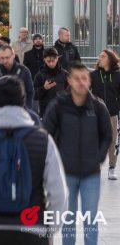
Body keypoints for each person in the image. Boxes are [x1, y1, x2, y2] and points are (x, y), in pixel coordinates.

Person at [0, 76, 68, 245]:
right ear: (23, 101)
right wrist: (49, 232)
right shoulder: (43, 140)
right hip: (33, 231)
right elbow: (59, 193)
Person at [43, 62, 111, 245]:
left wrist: (99, 157)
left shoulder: (98, 106)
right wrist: (54, 160)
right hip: (66, 173)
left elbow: (107, 135)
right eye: (77, 78)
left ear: (89, 81)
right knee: (68, 220)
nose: (81, 82)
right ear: (69, 80)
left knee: (91, 219)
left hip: (91, 173)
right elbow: (45, 134)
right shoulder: (59, 106)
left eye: (84, 78)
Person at [89, 49, 120, 180]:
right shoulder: (93, 75)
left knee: (113, 141)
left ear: (110, 59)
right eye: (99, 56)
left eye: (103, 56)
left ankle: (112, 168)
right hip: (96, 115)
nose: (99, 58)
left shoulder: (118, 75)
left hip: (113, 114)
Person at [0, 45, 34, 112]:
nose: (5, 61)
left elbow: (30, 93)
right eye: (2, 58)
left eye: (7, 57)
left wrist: (26, 110)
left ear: (13, 55)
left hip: (19, 112)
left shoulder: (24, 71)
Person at [33, 47, 68, 118]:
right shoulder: (39, 75)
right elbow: (34, 95)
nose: (51, 63)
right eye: (48, 61)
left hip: (62, 110)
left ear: (57, 58)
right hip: (45, 111)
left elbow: (71, 92)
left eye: (53, 60)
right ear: (44, 60)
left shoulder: (65, 74)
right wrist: (44, 88)